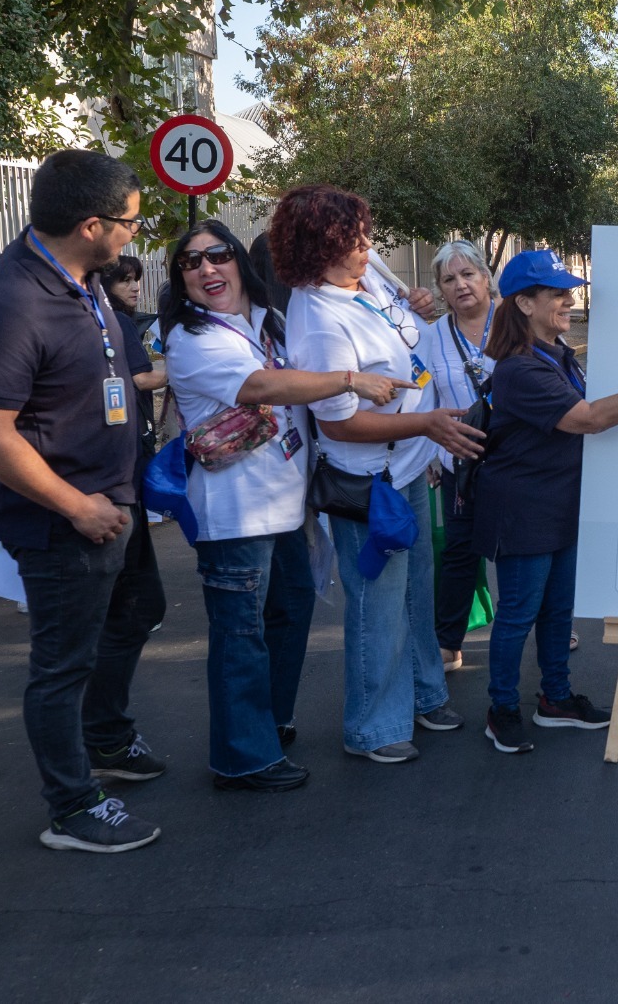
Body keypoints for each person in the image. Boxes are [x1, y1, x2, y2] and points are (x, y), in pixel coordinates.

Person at [0, 149, 166, 852]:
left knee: (140, 609)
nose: (136, 234)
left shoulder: (86, 278)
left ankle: (104, 741)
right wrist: (77, 507)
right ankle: (73, 807)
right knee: (61, 667)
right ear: (90, 224)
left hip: (114, 502)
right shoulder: (13, 301)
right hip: (66, 524)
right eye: (131, 224)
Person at [160, 220, 412, 791]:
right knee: (240, 633)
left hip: (286, 506)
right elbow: (263, 388)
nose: (206, 269)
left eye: (217, 256)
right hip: (235, 513)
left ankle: (268, 722)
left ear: (240, 264)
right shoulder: (193, 337)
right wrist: (349, 381)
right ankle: (242, 757)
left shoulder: (266, 320)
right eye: (191, 263)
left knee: (291, 609)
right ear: (181, 282)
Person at [271, 184, 483, 765]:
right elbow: (338, 427)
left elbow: (408, 342)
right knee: (378, 605)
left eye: (365, 234)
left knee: (416, 590)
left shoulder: (366, 280)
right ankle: (373, 727)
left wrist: (414, 310)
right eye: (353, 240)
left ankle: (422, 693)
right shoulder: (317, 316)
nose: (368, 246)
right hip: (370, 483)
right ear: (318, 248)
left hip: (409, 467)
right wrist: (427, 427)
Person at [474, 250, 618, 754]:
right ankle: (501, 709)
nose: (568, 301)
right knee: (518, 615)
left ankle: (556, 700)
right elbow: (587, 419)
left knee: (557, 612)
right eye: (557, 294)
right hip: (523, 509)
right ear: (524, 303)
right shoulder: (521, 369)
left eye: (568, 292)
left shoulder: (558, 354)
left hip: (559, 504)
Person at [427, 239, 497, 671]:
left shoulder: (518, 322)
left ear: (486, 278)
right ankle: (448, 641)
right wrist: (435, 453)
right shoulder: (430, 336)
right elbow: (423, 400)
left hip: (519, 461)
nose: (461, 285)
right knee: (459, 553)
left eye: (468, 274)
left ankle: (551, 625)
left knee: (527, 551)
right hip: (461, 463)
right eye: (449, 279)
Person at [98, 254, 166, 495]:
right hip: (133, 429)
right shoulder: (121, 321)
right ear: (107, 285)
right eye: (125, 281)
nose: (135, 287)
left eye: (136, 279)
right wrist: (180, 369)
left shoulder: (97, 318)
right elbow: (143, 379)